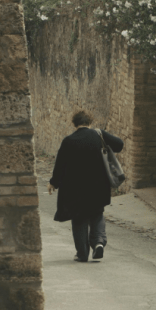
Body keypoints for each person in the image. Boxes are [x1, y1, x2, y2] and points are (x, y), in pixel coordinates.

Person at [48, 110, 125, 262]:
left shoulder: (68, 141)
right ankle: (98, 243)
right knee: (96, 214)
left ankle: (82, 253)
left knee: (79, 218)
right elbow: (119, 145)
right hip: (98, 186)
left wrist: (53, 183)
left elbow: (60, 165)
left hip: (74, 189)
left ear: (75, 124)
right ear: (90, 123)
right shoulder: (98, 135)